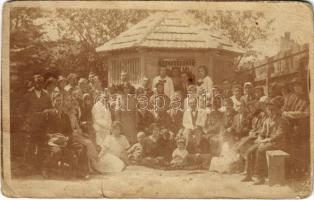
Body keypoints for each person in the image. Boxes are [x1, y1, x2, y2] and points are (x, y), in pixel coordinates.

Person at [41, 93, 89, 179]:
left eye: (60, 100)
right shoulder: (48, 114)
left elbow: (69, 132)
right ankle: (45, 169)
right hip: (51, 141)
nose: (58, 102)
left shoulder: (65, 116)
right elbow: (44, 130)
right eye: (57, 100)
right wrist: (54, 137)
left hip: (64, 141)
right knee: (57, 150)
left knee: (83, 147)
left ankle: (79, 171)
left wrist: (67, 138)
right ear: (53, 101)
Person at [242, 96, 288, 184]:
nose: (270, 111)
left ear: (278, 110)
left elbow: (279, 135)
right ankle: (248, 175)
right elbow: (262, 133)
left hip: (277, 143)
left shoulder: (282, 120)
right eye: (269, 109)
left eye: (273, 109)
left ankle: (260, 177)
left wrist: (265, 141)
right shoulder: (267, 120)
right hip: (267, 142)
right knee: (250, 150)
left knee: (260, 150)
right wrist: (260, 139)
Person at [19, 74, 52, 169]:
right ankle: (28, 166)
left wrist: (47, 111)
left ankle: (39, 166)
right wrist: (26, 121)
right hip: (31, 125)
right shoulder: (28, 95)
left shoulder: (46, 95)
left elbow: (50, 108)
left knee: (41, 145)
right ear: (34, 83)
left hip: (43, 124)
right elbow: (21, 110)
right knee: (30, 145)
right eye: (37, 82)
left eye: (41, 83)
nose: (39, 84)